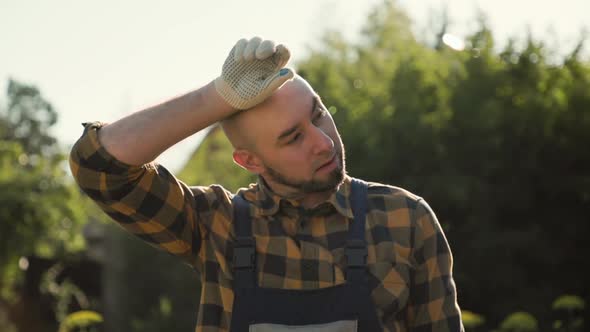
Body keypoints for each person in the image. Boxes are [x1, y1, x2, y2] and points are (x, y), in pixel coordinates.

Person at [70, 37, 464, 331]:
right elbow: (99, 167)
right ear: (249, 161)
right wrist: (217, 98)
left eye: (320, 114)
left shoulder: (404, 217)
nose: (324, 142)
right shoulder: (215, 225)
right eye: (293, 138)